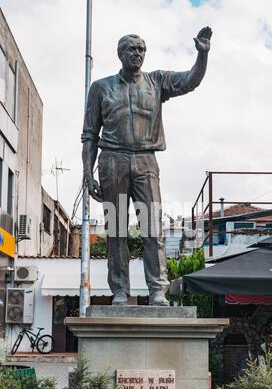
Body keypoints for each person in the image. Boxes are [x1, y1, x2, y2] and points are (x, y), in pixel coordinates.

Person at [81, 27, 212, 306]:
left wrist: (202, 55)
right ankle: (119, 290)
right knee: (116, 230)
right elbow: (90, 134)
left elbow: (190, 81)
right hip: (112, 161)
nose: (138, 54)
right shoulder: (101, 88)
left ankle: (157, 290)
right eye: (132, 49)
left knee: (152, 229)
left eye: (142, 49)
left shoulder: (157, 82)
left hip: (145, 160)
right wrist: (86, 174)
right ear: (120, 53)